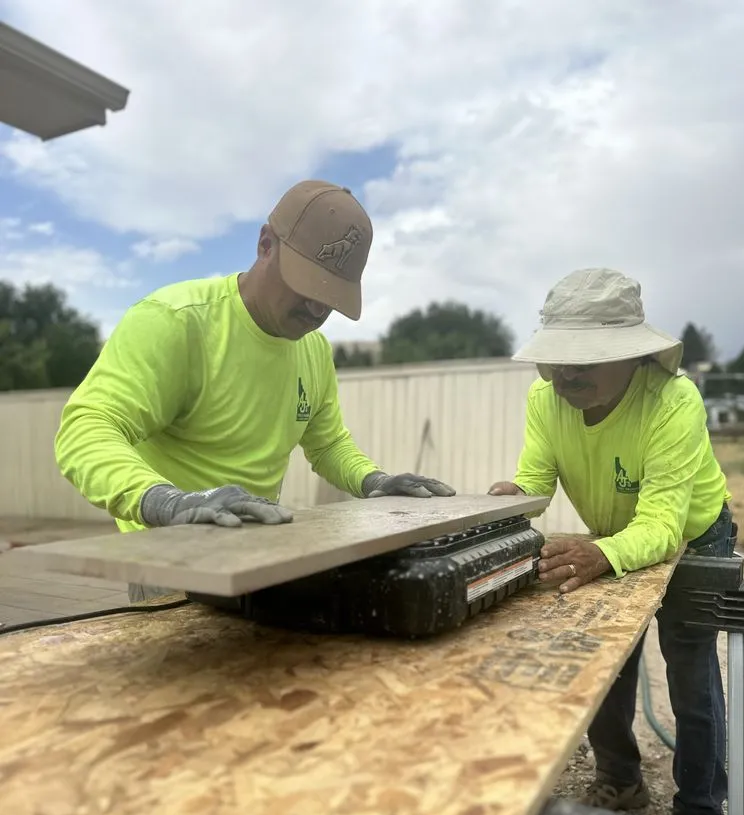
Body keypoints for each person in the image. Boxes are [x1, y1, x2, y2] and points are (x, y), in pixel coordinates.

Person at [54, 179, 454, 601]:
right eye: (308, 284)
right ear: (266, 244)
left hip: (261, 551)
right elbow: (87, 428)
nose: (318, 309)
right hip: (174, 561)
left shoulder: (313, 350)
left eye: (331, 297)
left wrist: (375, 481)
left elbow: (327, 443)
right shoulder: (176, 323)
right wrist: (168, 503)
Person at [489, 267, 736, 815]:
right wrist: (509, 498)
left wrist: (602, 555)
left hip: (693, 537)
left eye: (584, 363)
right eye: (558, 363)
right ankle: (621, 780)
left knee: (691, 678)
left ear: (631, 356)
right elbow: (537, 483)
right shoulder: (546, 401)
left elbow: (662, 524)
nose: (565, 377)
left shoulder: (672, 400)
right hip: (610, 541)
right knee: (600, 663)